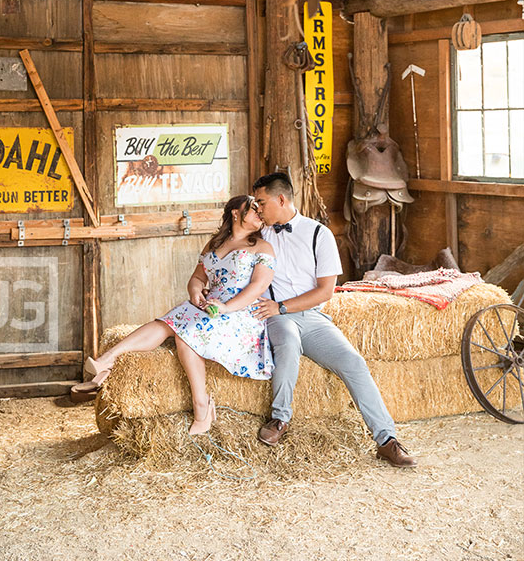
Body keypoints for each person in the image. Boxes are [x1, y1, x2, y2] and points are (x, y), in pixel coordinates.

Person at [251, 172, 417, 468]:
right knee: (287, 342)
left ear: (280, 199)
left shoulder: (318, 234)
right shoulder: (257, 234)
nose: (258, 209)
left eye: (261, 202)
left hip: (309, 316)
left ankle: (386, 440)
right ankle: (279, 419)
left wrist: (283, 306)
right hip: (275, 317)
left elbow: (325, 290)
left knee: (354, 362)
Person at [84, 194, 276, 434]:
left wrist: (227, 307)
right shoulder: (214, 244)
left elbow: (257, 287)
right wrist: (196, 292)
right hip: (212, 306)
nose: (260, 215)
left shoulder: (262, 247)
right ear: (236, 213)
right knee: (169, 319)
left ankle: (201, 406)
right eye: (254, 209)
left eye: (261, 211)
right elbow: (197, 278)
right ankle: (106, 361)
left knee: (185, 334)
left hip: (242, 313)